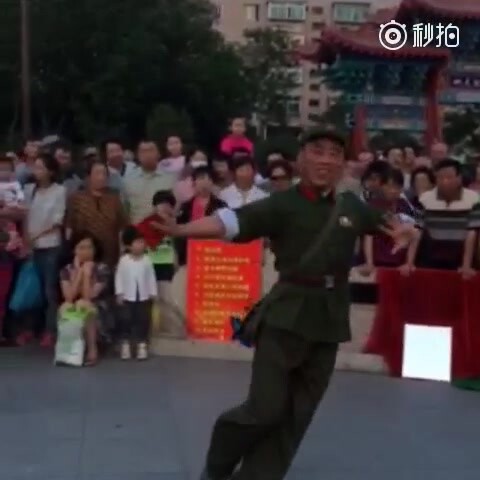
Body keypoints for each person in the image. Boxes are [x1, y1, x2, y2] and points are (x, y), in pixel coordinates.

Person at [153, 128, 418, 480]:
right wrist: (180, 230)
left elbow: (394, 220)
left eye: (334, 154)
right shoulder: (281, 203)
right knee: (264, 409)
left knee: (298, 414)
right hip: (285, 317)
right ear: (301, 159)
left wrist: (407, 228)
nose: (326, 160)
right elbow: (230, 222)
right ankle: (218, 462)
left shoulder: (350, 206)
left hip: (329, 320)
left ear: (342, 164)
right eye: (318, 151)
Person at [401, 158, 480, 276]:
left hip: (459, 255)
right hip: (432, 257)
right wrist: (409, 262)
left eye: (449, 178)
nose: (444, 182)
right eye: (440, 178)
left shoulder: (473, 199)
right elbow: (417, 230)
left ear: (459, 178)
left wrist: (466, 265)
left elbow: (471, 233)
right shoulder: (425, 199)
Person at [22, 153, 66, 347]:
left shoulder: (59, 191)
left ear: (51, 171)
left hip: (50, 245)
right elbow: (24, 215)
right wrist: (26, 240)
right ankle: (30, 328)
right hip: (32, 246)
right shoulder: (29, 190)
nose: (37, 171)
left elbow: (57, 221)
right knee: (32, 288)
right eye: (35, 167)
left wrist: (36, 236)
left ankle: (50, 330)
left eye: (41, 167)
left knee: (50, 289)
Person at [135, 190, 182, 337]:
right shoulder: (147, 223)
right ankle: (150, 330)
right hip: (149, 264)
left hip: (166, 265)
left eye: (168, 204)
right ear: (155, 206)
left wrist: (176, 262)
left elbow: (176, 245)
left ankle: (176, 329)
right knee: (148, 298)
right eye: (160, 204)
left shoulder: (175, 225)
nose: (164, 207)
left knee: (167, 298)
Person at [59, 232, 110, 366]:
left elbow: (89, 297)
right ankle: (68, 352)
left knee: (83, 304)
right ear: (74, 250)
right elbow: (69, 297)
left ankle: (92, 350)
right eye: (81, 248)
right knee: (65, 306)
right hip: (76, 309)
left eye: (89, 247)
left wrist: (87, 275)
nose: (86, 251)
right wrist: (79, 272)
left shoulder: (102, 269)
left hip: (98, 312)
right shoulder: (66, 270)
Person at [66, 159, 127, 268]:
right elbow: (69, 228)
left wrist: (122, 252)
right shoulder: (76, 198)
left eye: (104, 174)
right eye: (97, 173)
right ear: (88, 176)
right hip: (85, 254)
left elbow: (122, 227)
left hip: (110, 254)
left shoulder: (114, 198)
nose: (101, 177)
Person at [358, 168, 417, 275]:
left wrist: (409, 263)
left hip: (399, 264)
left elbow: (413, 235)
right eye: (389, 186)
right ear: (381, 186)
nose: (393, 190)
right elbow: (368, 237)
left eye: (397, 187)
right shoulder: (373, 206)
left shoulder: (406, 206)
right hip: (377, 262)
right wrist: (369, 263)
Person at [115, 226, 157, 360]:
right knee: (125, 319)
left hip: (143, 297)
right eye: (137, 242)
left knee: (143, 319)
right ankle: (125, 344)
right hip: (127, 297)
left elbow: (151, 277)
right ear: (129, 245)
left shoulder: (147, 260)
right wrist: (119, 292)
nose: (141, 245)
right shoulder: (124, 260)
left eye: (142, 242)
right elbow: (119, 277)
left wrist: (153, 292)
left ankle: (142, 345)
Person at [176, 167, 227, 266]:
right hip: (189, 255)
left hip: (214, 254)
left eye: (209, 179)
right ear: (194, 182)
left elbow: (226, 231)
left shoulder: (221, 206)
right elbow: (179, 233)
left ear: (213, 183)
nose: (205, 182)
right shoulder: (185, 207)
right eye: (201, 178)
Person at [125, 140, 176, 224]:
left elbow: (176, 208)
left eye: (151, 150)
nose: (147, 154)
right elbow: (125, 210)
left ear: (159, 154)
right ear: (137, 156)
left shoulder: (170, 179)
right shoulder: (128, 180)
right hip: (137, 229)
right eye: (143, 151)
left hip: (163, 228)